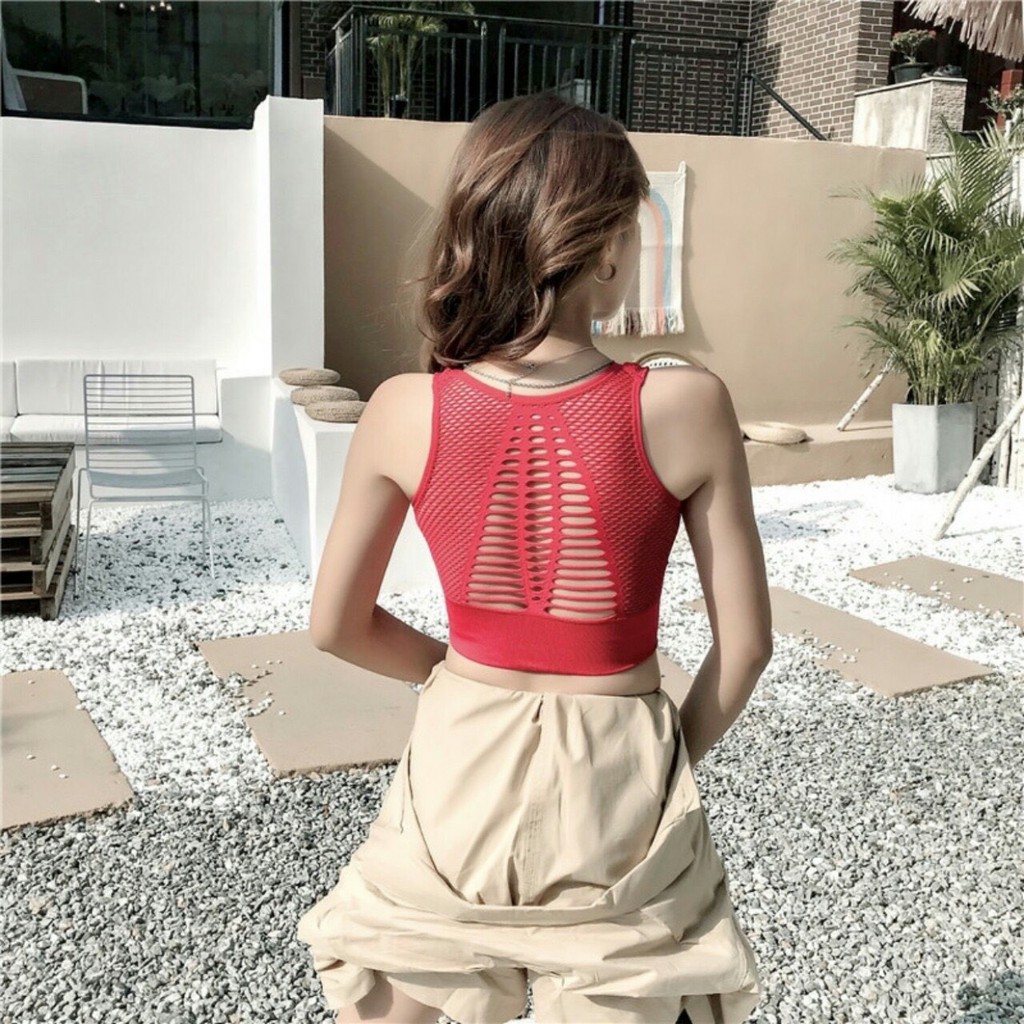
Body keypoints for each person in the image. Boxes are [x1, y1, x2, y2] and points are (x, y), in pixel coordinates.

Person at [296, 92, 773, 1024]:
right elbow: (747, 647)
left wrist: (457, 675)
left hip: (460, 748)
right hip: (618, 767)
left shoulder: (402, 408)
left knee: (408, 976)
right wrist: (669, 756)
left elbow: (334, 627)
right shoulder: (687, 404)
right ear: (608, 247)